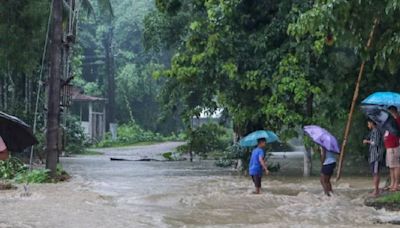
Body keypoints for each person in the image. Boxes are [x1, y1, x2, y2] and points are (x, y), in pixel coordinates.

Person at [363, 119, 384, 196]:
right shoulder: (373, 132)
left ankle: (376, 190)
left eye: (368, 123)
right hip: (373, 156)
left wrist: (367, 141)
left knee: (376, 173)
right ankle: (376, 189)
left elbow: (376, 143)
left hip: (376, 156)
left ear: (372, 123)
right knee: (374, 173)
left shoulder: (376, 132)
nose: (368, 125)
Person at [383, 106, 400, 191]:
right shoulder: (390, 121)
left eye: (390, 112)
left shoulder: (397, 120)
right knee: (391, 166)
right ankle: (392, 183)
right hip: (388, 145)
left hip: (394, 145)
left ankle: (396, 184)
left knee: (395, 165)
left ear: (394, 111)